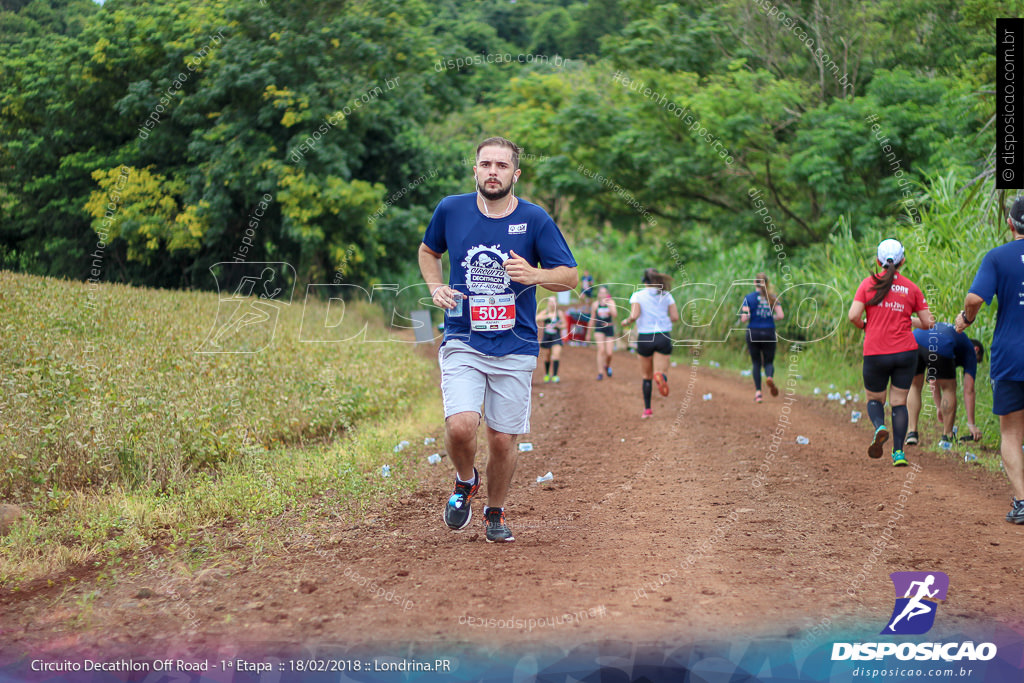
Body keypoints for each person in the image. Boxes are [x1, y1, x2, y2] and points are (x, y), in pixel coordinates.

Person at [419, 136, 577, 542]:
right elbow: (427, 251)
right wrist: (435, 287)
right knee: (460, 426)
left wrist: (536, 274)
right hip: (463, 337)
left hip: (516, 344)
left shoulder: (535, 218)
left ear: (515, 173)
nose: (493, 172)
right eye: (486, 164)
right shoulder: (450, 209)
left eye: (501, 166)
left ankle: (495, 510)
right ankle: (464, 481)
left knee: (503, 440)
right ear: (475, 169)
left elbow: (569, 277)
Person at [955, 196, 1024, 524]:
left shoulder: (997, 258)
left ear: (1010, 224)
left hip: (1012, 356)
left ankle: (1023, 503)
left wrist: (966, 319)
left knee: (1010, 433)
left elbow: (974, 298)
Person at [848, 239, 934, 467]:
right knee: (899, 403)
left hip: (876, 351)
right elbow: (927, 323)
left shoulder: (868, 284)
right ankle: (898, 453)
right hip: (905, 353)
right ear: (902, 261)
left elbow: (853, 316)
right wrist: (907, 318)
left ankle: (880, 427)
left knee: (875, 399)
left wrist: (866, 325)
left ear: (878, 261)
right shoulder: (912, 288)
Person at [905, 322, 984, 446]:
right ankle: (947, 436)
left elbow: (933, 378)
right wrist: (971, 424)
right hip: (940, 344)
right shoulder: (970, 351)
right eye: (977, 360)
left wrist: (938, 406)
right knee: (949, 388)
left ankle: (912, 433)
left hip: (915, 339)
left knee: (914, 386)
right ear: (976, 350)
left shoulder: (956, 338)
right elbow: (969, 390)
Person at [622, 268, 679, 418]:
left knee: (646, 376)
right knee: (661, 370)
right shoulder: (667, 295)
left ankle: (647, 410)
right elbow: (675, 317)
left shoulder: (638, 295)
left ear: (645, 282)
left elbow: (634, 315)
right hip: (662, 335)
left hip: (645, 337)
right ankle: (661, 376)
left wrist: (626, 321)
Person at [739, 272, 784, 403]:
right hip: (769, 331)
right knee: (769, 362)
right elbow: (780, 315)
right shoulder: (773, 297)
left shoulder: (749, 298)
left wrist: (749, 316)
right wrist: (770, 317)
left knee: (756, 363)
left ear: (754, 283)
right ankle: (769, 376)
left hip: (753, 331)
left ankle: (758, 393)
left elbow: (744, 318)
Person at [587, 286, 617, 380]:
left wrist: (608, 305)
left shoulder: (611, 303)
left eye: (605, 293)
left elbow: (615, 315)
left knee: (609, 353)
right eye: (601, 293)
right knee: (601, 350)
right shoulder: (595, 304)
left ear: (606, 294)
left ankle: (607, 366)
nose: (603, 294)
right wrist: (588, 333)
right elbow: (592, 318)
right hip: (599, 329)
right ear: (599, 294)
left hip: (609, 328)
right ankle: (600, 373)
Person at [536, 296, 564, 383]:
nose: (552, 304)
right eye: (550, 302)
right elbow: (537, 318)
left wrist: (559, 326)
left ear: (556, 303)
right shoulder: (546, 312)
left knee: (556, 355)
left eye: (553, 302)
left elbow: (565, 325)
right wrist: (547, 316)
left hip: (556, 336)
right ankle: (547, 374)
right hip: (547, 336)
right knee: (548, 356)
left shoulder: (559, 313)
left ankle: (555, 375)